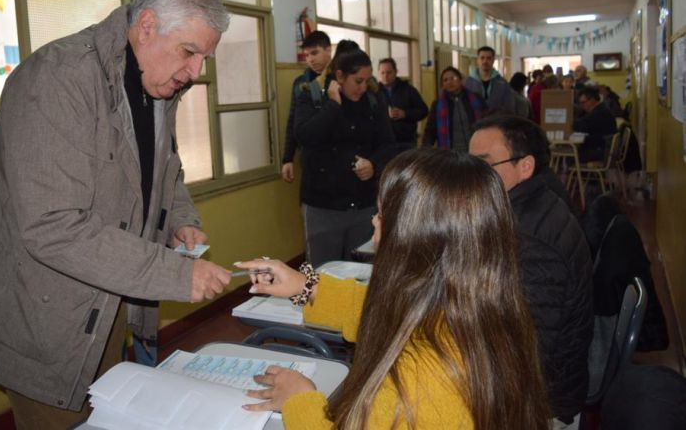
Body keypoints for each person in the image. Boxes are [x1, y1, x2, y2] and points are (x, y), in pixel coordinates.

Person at [0, 0, 233, 429]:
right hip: (43, 315)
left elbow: (165, 168)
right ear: (146, 26)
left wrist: (180, 218)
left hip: (106, 296)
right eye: (189, 52)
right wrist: (176, 274)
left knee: (104, 414)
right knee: (64, 416)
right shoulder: (57, 80)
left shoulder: (155, 83)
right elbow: (52, 226)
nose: (195, 72)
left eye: (204, 58)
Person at [236, 149, 550, 429]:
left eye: (383, 216)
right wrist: (305, 286)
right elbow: (390, 314)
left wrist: (299, 399)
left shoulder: (415, 384)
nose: (374, 223)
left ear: (416, 239)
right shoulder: (483, 308)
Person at [469, 115, 593, 428]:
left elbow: (526, 355)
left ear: (525, 166)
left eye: (484, 166)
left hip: (539, 406)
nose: (471, 177)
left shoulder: (531, 243)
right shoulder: (536, 202)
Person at [294, 47, 395, 268]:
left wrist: (374, 165)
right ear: (339, 75)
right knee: (322, 277)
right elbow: (304, 136)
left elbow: (387, 144)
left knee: (361, 275)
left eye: (367, 81)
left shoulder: (373, 99)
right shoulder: (311, 96)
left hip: (363, 206)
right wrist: (333, 106)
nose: (363, 87)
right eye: (358, 81)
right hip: (322, 208)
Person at [281, 31, 333, 183]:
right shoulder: (300, 83)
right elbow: (293, 121)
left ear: (328, 50)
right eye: (307, 55)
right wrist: (287, 158)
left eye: (315, 53)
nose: (310, 59)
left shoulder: (341, 79)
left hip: (339, 156)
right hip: (311, 158)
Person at [423, 66, 485, 151]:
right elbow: (430, 130)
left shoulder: (476, 99)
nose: (449, 82)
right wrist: (425, 149)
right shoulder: (437, 105)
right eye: (445, 80)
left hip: (476, 148)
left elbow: (487, 120)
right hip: (451, 153)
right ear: (442, 85)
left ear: (460, 80)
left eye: (453, 78)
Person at [377, 57, 429, 152]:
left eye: (389, 72)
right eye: (382, 73)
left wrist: (405, 114)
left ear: (396, 72)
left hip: (406, 141)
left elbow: (423, 110)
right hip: (383, 142)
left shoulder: (408, 90)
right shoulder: (375, 92)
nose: (385, 76)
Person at [464, 45, 518, 115]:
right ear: (477, 60)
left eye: (488, 58)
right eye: (482, 58)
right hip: (475, 123)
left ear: (493, 60)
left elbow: (509, 107)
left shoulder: (502, 83)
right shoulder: (467, 83)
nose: (485, 61)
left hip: (496, 122)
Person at [574, 86, 618, 162]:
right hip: (603, 149)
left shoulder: (599, 113)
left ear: (592, 100)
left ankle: (582, 173)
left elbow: (581, 126)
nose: (582, 106)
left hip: (600, 152)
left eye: (583, 102)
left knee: (571, 155)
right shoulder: (602, 109)